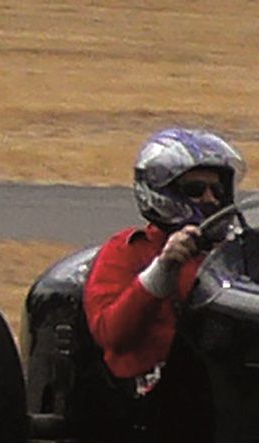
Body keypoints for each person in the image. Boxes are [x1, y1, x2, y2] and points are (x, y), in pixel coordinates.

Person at [83, 127, 246, 392]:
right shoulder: (128, 249)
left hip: (224, 388)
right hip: (149, 397)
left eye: (217, 190)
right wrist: (162, 269)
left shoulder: (232, 252)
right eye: (196, 189)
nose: (210, 198)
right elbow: (111, 333)